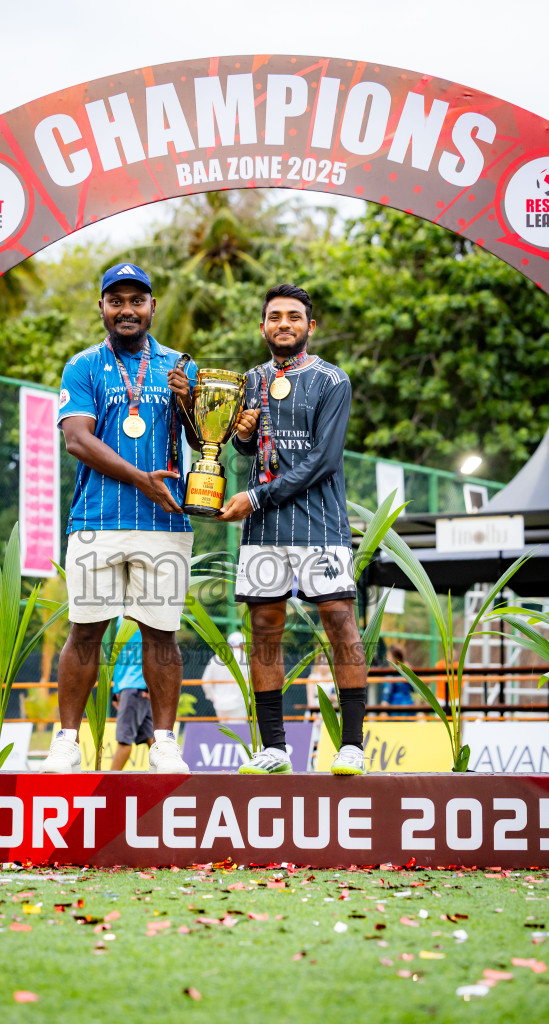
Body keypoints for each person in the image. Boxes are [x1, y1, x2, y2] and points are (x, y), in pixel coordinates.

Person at [42, 263, 199, 774]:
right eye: (116, 301)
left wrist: (190, 402)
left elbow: (204, 441)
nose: (127, 310)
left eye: (137, 300)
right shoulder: (82, 366)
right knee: (86, 630)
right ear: (102, 307)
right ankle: (67, 741)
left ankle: (165, 743)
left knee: (161, 635)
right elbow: (77, 440)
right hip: (97, 519)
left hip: (165, 522)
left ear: (153, 306)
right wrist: (141, 480)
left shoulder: (181, 366)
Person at [217, 283, 367, 775]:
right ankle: (276, 748)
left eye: (294, 317)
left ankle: (352, 746)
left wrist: (255, 495)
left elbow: (324, 460)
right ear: (262, 326)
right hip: (265, 531)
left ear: (310, 326)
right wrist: (241, 438)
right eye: (275, 316)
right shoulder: (250, 380)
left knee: (340, 623)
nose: (284, 324)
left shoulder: (332, 380)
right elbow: (252, 450)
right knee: (264, 631)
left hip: (321, 523)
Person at [110, 621, 154, 770]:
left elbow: (153, 648)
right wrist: (116, 689)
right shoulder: (120, 614)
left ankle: (106, 786)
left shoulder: (143, 612)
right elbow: (120, 655)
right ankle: (172, 782)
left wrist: (149, 686)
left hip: (135, 687)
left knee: (124, 742)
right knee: (153, 739)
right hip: (130, 687)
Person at [202, 631, 249, 721]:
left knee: (224, 732)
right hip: (239, 703)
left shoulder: (216, 658)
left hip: (220, 704)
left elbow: (205, 681)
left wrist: (213, 697)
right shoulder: (245, 658)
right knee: (239, 733)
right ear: (242, 644)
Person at [379, 643, 415, 717]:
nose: (387, 659)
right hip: (409, 705)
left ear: (394, 657)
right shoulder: (408, 671)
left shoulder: (392, 673)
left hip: (396, 708)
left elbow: (387, 693)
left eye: (389, 656)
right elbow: (413, 689)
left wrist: (383, 710)